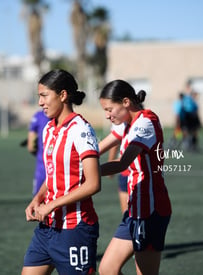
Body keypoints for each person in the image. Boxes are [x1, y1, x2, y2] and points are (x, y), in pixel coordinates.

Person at [22, 69, 101, 275]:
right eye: (39, 96)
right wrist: (38, 199)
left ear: (63, 95)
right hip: (47, 229)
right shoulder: (48, 129)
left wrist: (52, 205)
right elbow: (52, 175)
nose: (40, 102)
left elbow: (93, 184)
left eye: (44, 95)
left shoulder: (81, 130)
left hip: (75, 230)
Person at [97, 80, 172, 275]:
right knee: (107, 269)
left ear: (125, 102)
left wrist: (86, 173)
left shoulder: (146, 123)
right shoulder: (127, 124)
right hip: (134, 210)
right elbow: (96, 150)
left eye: (109, 109)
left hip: (150, 211)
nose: (107, 115)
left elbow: (122, 164)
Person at [99, 124, 128, 213]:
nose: (107, 115)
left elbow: (124, 162)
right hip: (127, 173)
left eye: (110, 109)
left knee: (130, 217)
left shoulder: (143, 122)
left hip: (132, 174)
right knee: (128, 219)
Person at [27, 110, 49, 196]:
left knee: (38, 202)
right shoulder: (67, 119)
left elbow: (31, 147)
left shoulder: (38, 116)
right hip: (61, 172)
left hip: (42, 169)